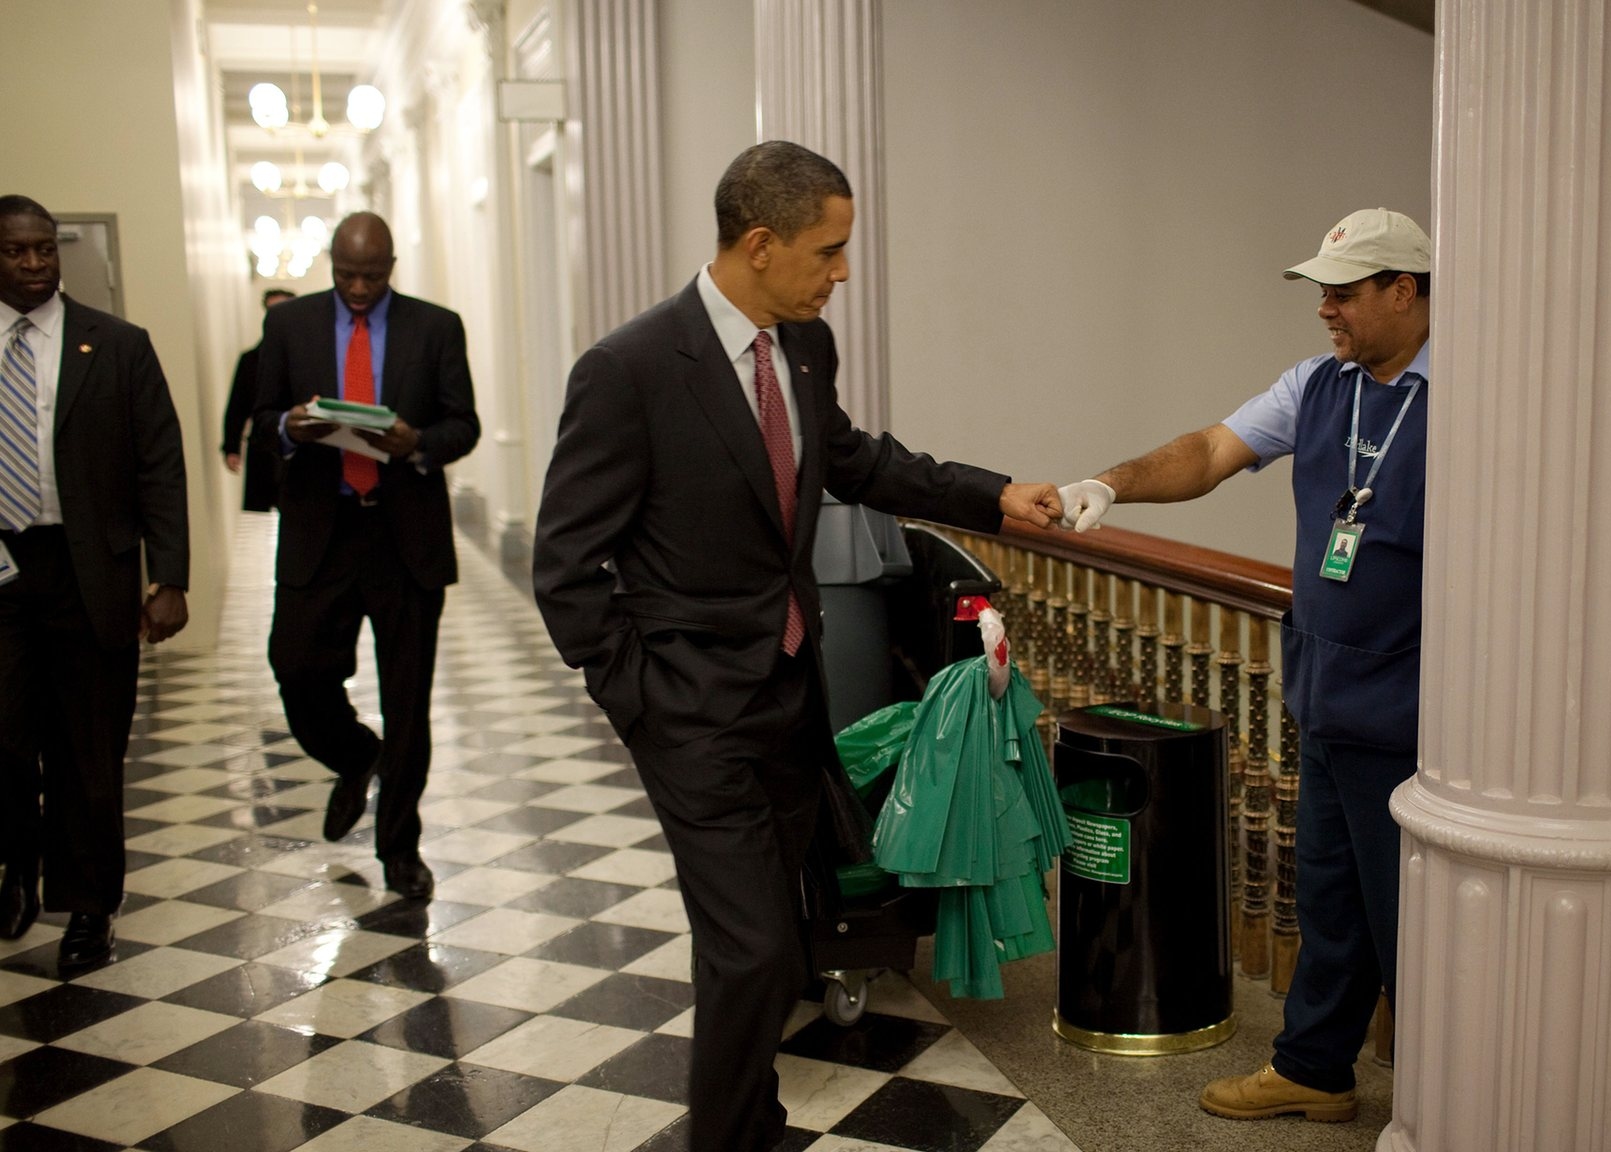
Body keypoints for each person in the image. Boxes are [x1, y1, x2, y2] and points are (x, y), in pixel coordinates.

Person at [532, 140, 1061, 1152]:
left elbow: (857, 461)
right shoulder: (630, 370)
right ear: (762, 244)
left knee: (761, 939)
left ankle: (749, 1119)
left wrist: (992, 493)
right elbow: (564, 566)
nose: (843, 270)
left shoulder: (804, 350)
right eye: (831, 248)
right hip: (689, 711)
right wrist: (639, 698)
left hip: (785, 693)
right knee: (754, 944)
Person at [1054, 207, 1432, 1125]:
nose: (1326, 311)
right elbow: (1213, 451)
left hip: (1419, 707)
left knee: (1415, 927)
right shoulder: (1318, 386)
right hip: (1327, 693)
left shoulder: (1475, 397)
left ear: (1406, 290)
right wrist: (1109, 483)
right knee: (1330, 898)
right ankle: (1315, 1067)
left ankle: (1456, 1108)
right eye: (1322, 294)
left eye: (1345, 293)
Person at [253, 211, 479, 900]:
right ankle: (356, 756)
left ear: (391, 267)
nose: (358, 286)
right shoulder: (288, 326)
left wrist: (417, 443)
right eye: (346, 273)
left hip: (402, 534)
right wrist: (290, 427)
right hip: (321, 531)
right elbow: (260, 416)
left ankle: (400, 849)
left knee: (408, 701)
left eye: (372, 275)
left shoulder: (434, 326)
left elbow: (462, 423)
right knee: (294, 666)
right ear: (329, 261)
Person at [0, 194, 190, 967]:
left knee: (88, 753)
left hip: (89, 576)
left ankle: (87, 907)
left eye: (46, 249)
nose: (37, 263)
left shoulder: (115, 345)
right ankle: (19, 858)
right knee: (7, 739)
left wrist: (169, 575)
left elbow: (160, 465)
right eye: (18, 251)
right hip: (1, 573)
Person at [221, 287, 296, 511]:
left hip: (301, 447)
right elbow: (237, 405)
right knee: (261, 507)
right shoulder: (252, 360)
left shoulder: (308, 358)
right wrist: (231, 447)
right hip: (263, 446)